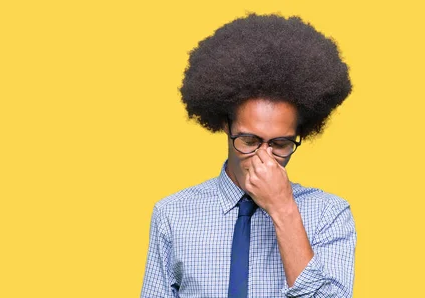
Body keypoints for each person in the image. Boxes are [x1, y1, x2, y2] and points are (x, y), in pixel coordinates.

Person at [141, 14, 356, 297]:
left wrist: (282, 209)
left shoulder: (329, 214)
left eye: (280, 144)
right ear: (224, 125)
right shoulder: (172, 214)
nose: (262, 158)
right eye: (249, 140)